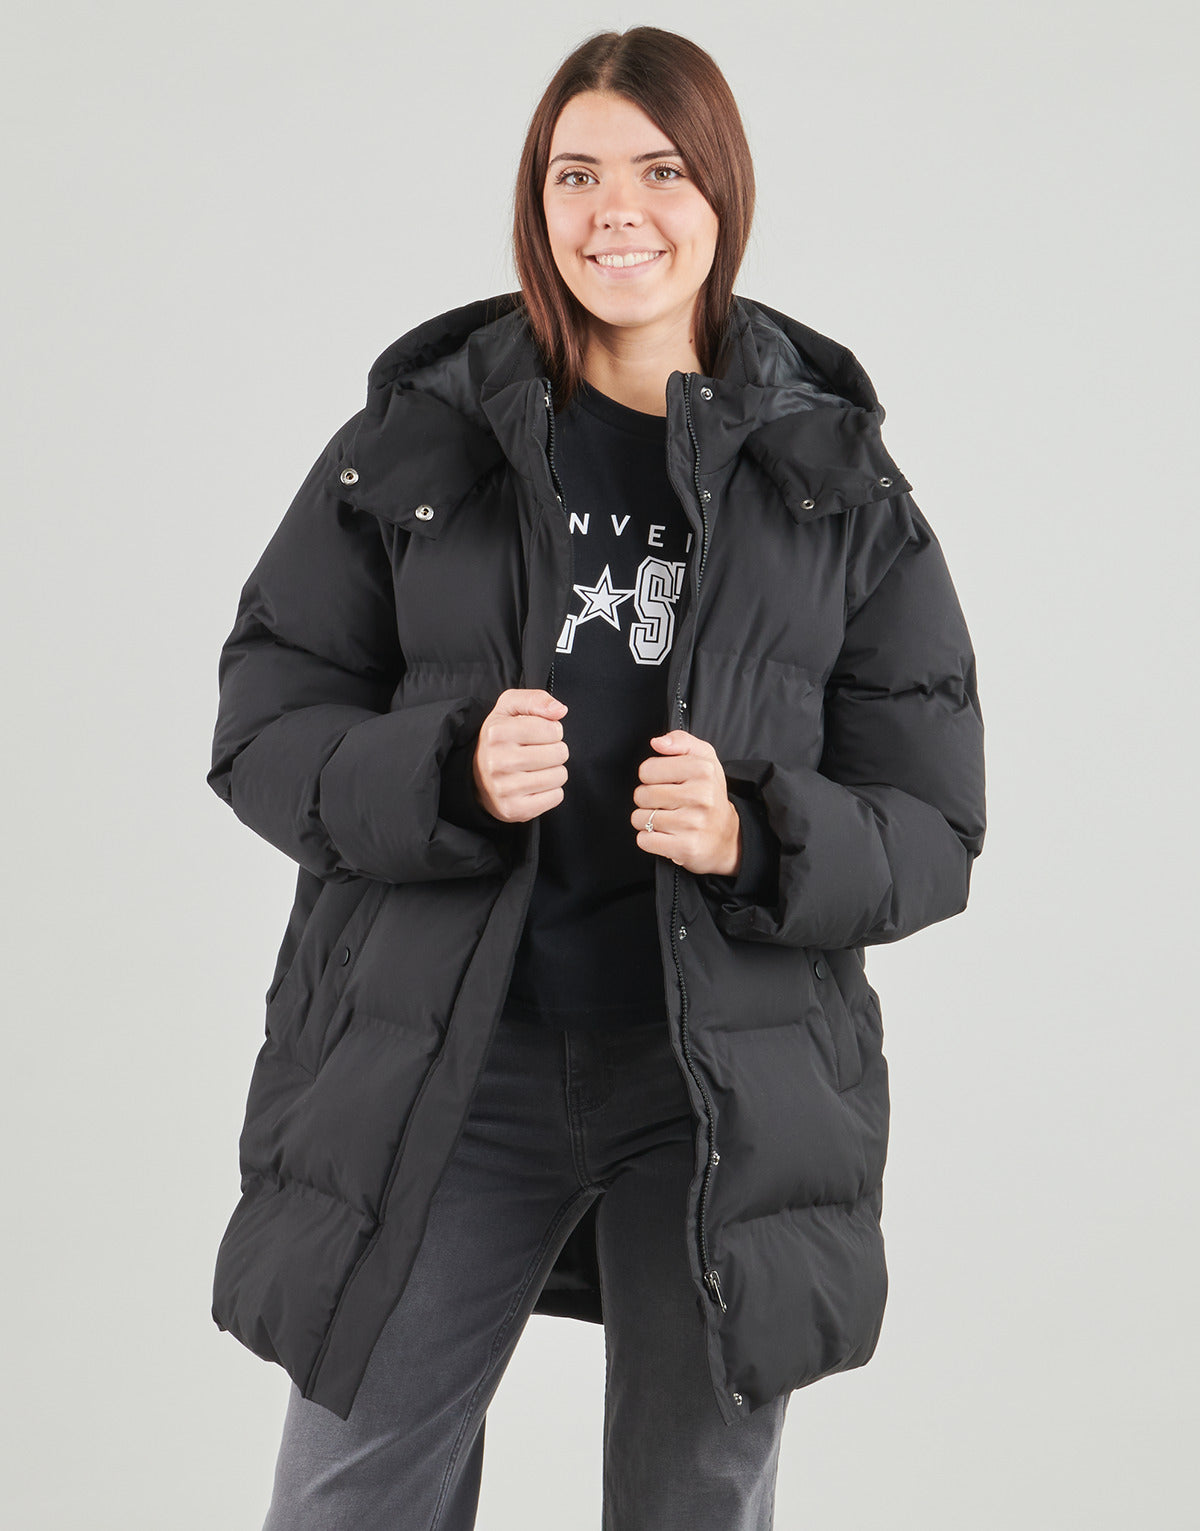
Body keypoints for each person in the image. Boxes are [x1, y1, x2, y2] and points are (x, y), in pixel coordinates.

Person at [205, 26, 986, 1531]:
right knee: (349, 1495)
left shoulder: (831, 484)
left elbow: (935, 822)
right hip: (450, 1060)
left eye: (660, 169)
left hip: (715, 1086)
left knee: (696, 1499)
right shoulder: (421, 439)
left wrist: (757, 836)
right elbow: (263, 722)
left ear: (721, 194)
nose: (616, 209)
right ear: (537, 200)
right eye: (576, 175)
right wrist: (443, 771)